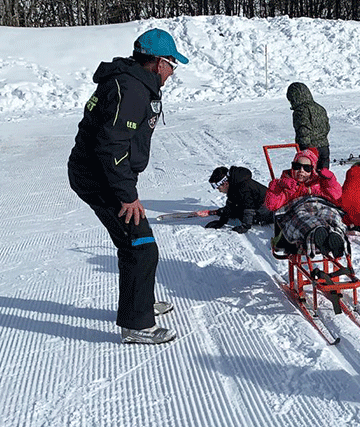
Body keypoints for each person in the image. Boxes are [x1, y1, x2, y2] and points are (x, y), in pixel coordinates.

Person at [68, 28, 188, 344]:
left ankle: (140, 304)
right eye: (172, 64)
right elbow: (111, 147)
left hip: (104, 174)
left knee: (135, 243)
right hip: (99, 179)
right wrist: (127, 195)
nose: (173, 72)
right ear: (159, 63)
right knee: (141, 246)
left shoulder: (133, 82)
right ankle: (136, 325)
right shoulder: (130, 89)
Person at [265, 148, 346, 258]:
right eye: (297, 167)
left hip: (320, 206)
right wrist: (278, 185)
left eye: (306, 168)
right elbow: (271, 204)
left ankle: (335, 237)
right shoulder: (287, 185)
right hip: (298, 209)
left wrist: (330, 180)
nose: (301, 171)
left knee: (332, 215)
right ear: (292, 167)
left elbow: (336, 195)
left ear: (312, 170)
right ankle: (317, 234)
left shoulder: (318, 183)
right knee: (302, 218)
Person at [205, 166, 273, 233]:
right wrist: (221, 222)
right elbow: (230, 203)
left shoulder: (243, 188)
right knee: (235, 209)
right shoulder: (233, 183)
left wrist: (245, 226)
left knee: (241, 215)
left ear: (225, 183)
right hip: (257, 205)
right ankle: (223, 212)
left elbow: (248, 208)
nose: (219, 190)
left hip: (269, 209)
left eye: (218, 188)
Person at [287, 82, 331, 171]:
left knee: (307, 176)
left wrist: (304, 148)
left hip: (310, 149)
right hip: (324, 147)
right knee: (323, 175)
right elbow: (326, 127)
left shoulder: (301, 111)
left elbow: (303, 129)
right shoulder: (320, 108)